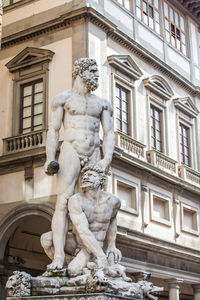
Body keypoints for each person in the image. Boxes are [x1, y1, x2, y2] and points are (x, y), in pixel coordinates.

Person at [44, 58, 115, 270]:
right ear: (80, 72)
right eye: (93, 71)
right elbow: (53, 130)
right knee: (63, 202)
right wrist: (50, 158)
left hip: (94, 150)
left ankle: (93, 253)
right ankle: (58, 257)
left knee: (95, 203)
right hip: (71, 149)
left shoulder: (102, 103)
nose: (96, 75)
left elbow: (109, 132)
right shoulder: (63, 98)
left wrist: (106, 159)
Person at [41, 166, 122, 277]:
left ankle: (75, 267)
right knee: (46, 239)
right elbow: (83, 231)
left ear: (101, 180)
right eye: (84, 175)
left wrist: (112, 246)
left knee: (73, 271)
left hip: (94, 245)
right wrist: (102, 257)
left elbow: (113, 220)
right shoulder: (76, 200)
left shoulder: (113, 201)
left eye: (91, 175)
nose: (85, 177)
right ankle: (63, 269)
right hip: (77, 241)